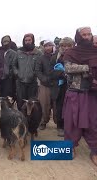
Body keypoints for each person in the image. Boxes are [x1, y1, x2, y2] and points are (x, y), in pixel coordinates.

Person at [62, 27, 97, 166]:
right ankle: (70, 147)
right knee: (72, 122)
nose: (87, 37)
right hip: (75, 91)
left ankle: (95, 151)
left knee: (94, 123)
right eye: (84, 34)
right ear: (78, 36)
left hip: (92, 93)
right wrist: (88, 67)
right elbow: (68, 68)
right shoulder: (71, 52)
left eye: (89, 34)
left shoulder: (95, 51)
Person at [50, 37, 75, 137]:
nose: (66, 48)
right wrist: (63, 73)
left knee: (72, 107)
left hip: (73, 85)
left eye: (68, 45)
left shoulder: (75, 56)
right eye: (63, 46)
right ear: (60, 46)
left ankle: (71, 127)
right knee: (60, 106)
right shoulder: (55, 57)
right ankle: (60, 127)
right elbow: (51, 72)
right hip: (59, 86)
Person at [13, 33, 42, 110]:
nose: (27, 42)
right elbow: (14, 65)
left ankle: (31, 120)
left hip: (32, 82)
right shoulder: (19, 52)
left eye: (29, 40)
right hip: (20, 82)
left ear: (33, 41)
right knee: (20, 102)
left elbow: (39, 67)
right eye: (26, 40)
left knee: (31, 102)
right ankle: (21, 119)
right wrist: (17, 73)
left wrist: (34, 74)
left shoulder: (38, 53)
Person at [35, 40, 56, 130]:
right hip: (44, 85)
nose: (48, 47)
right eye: (46, 46)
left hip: (57, 85)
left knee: (56, 105)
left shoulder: (58, 57)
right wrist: (44, 79)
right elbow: (37, 70)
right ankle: (43, 121)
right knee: (44, 104)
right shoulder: (41, 58)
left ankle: (59, 124)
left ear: (53, 46)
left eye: (50, 45)